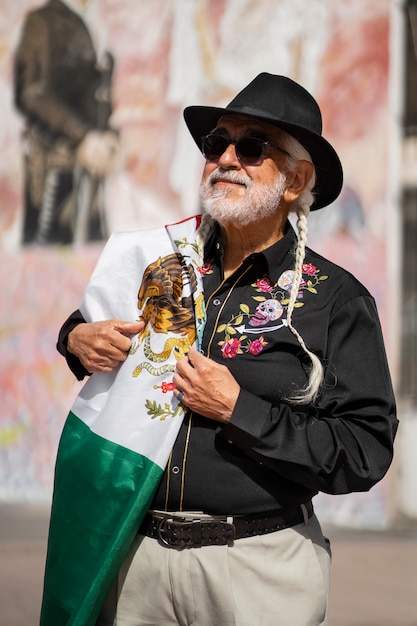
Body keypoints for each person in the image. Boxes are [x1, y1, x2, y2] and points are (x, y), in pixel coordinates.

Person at [51, 73, 397, 626]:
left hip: (259, 570)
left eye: (252, 147)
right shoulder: (164, 257)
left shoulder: (335, 300)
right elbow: (97, 321)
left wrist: (241, 410)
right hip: (136, 556)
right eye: (217, 144)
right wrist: (75, 338)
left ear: (294, 180)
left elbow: (363, 450)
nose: (226, 158)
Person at [14, 0, 118, 245]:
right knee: (46, 258)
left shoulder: (83, 17)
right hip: (54, 167)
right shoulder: (44, 21)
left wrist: (104, 133)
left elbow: (86, 91)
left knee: (89, 262)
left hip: (86, 168)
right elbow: (33, 93)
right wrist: (83, 135)